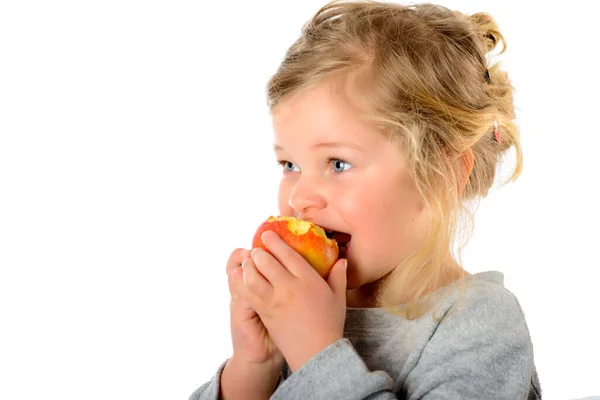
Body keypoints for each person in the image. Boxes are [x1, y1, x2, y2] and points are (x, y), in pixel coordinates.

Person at [189, 0, 541, 398]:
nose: (300, 197)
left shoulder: (479, 324)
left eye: (338, 163)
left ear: (441, 176)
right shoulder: (299, 304)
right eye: (289, 164)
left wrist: (315, 352)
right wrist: (254, 368)